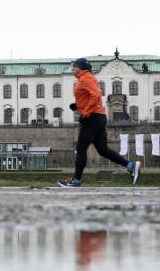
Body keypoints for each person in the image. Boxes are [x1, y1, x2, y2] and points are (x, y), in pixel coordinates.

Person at [58, 58, 140, 187]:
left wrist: (85, 112)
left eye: (74, 66)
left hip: (92, 117)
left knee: (81, 148)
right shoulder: (85, 78)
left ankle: (76, 180)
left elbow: (95, 96)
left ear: (81, 67)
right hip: (98, 116)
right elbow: (90, 96)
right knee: (102, 149)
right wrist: (78, 105)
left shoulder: (86, 78)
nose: (73, 69)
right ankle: (130, 165)